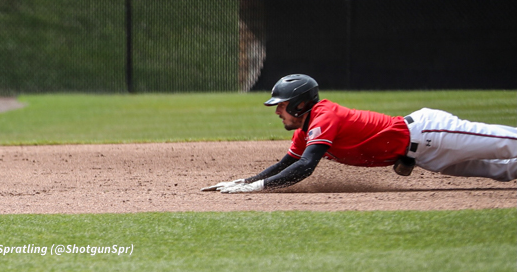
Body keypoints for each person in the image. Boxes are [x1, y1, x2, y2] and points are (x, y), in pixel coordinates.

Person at [203, 74, 517, 193]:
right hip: (425, 157)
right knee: (502, 170)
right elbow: (288, 163)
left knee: (507, 143)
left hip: (430, 132)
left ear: (300, 104)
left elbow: (306, 166)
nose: (277, 111)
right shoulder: (306, 129)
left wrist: (259, 189)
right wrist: (245, 181)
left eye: (282, 105)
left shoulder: (325, 115)